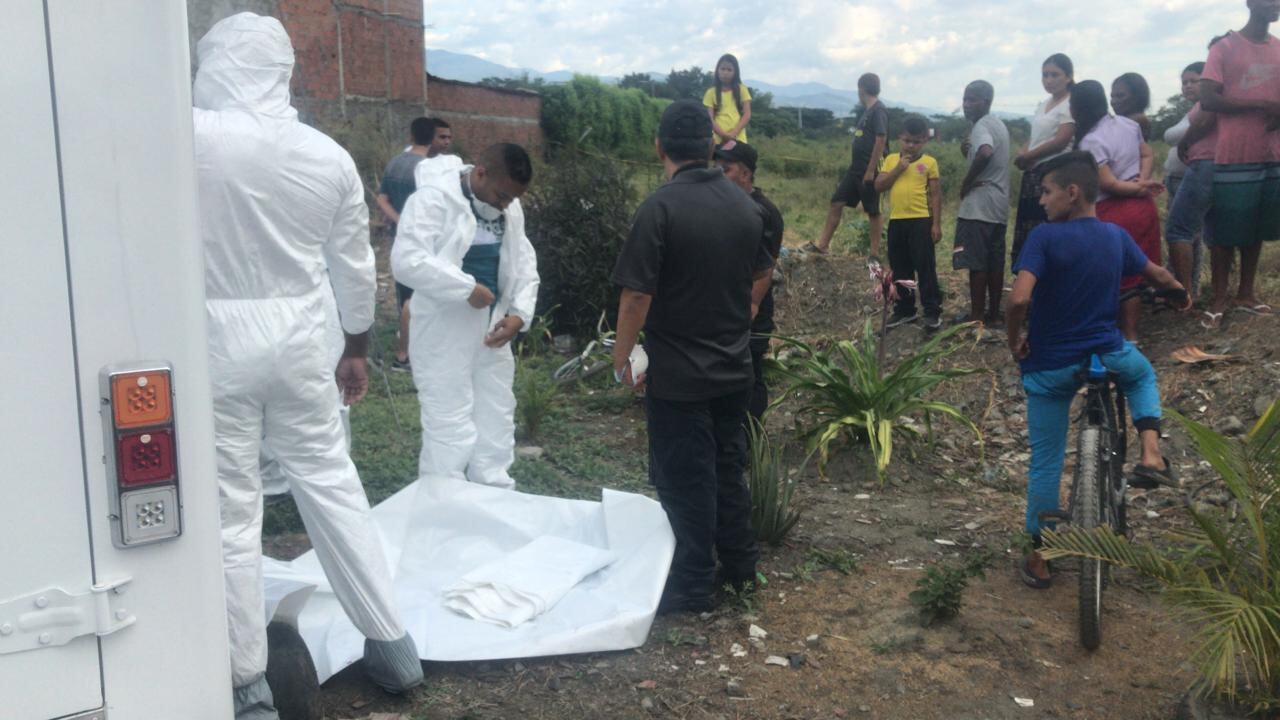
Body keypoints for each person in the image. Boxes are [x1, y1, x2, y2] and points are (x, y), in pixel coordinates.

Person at [191, 14, 422, 718]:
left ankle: (248, 686)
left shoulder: (186, 138)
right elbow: (354, 266)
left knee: (233, 513)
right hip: (302, 338)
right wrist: (355, 348)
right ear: (283, 71)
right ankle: (393, 647)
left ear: (214, 65)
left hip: (213, 337)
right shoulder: (326, 156)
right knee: (331, 484)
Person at [611, 100, 772, 613]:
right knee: (728, 468)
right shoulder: (745, 207)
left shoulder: (659, 209)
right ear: (710, 146)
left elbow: (636, 295)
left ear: (659, 147)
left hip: (679, 376)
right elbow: (764, 269)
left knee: (686, 479)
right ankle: (741, 569)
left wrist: (621, 357)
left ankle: (692, 583)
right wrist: (746, 309)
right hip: (734, 369)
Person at [1006, 151, 1188, 588]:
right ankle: (1151, 454)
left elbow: (1019, 298)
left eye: (1046, 192)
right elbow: (1158, 276)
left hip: (1049, 367)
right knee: (1141, 375)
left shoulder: (1043, 238)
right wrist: (1180, 293)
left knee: (1046, 461)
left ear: (1072, 192)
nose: (1041, 201)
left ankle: (1041, 557)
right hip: (1107, 354)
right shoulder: (1114, 235)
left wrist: (1014, 339)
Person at [391, 143, 539, 489]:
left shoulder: (508, 207)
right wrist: (464, 288)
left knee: (496, 413)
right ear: (481, 174)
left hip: (493, 329)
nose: (505, 205)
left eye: (512, 199)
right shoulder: (433, 200)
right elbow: (407, 260)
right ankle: (445, 498)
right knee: (448, 419)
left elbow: (524, 260)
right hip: (444, 329)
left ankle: (493, 490)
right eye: (502, 196)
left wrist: (519, 314)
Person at [1199, 0, 1280, 321]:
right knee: (1225, 230)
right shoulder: (1225, 47)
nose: (1275, 4)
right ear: (1250, 2)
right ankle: (1219, 297)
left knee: (1256, 224)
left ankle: (1246, 293)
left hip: (1272, 152)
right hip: (1234, 154)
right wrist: (1259, 104)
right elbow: (1208, 97)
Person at [1071, 80, 1165, 341]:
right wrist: (1142, 181)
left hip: (1116, 211)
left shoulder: (1091, 140)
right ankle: (1132, 334)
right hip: (1143, 207)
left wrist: (1137, 187)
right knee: (1136, 271)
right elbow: (1147, 154)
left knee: (1119, 275)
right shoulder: (1129, 125)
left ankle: (1122, 333)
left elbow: (1108, 184)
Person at [714, 141, 785, 421]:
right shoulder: (723, 205)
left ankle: (751, 435)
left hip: (749, 308)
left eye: (725, 169)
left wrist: (752, 305)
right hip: (725, 304)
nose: (718, 174)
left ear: (745, 174)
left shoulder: (763, 211)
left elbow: (765, 267)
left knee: (750, 373)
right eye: (715, 167)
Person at [379, 117, 453, 371]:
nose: (446, 142)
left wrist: (400, 221)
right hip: (426, 242)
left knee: (405, 296)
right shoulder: (430, 170)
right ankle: (405, 355)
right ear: (432, 138)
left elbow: (382, 199)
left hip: (399, 240)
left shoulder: (395, 163)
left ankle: (407, 350)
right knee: (420, 298)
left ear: (411, 135)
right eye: (442, 137)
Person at [875, 115, 944, 329]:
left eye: (916, 141)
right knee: (900, 267)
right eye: (907, 141)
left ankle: (932, 311)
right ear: (899, 138)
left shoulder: (929, 163)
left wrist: (936, 224)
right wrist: (898, 168)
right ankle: (905, 310)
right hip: (897, 221)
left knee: (925, 267)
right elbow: (879, 185)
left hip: (921, 221)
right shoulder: (890, 160)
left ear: (924, 140)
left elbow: (935, 195)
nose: (911, 146)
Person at [952, 80, 1011, 326]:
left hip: (979, 205)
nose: (966, 105)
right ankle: (993, 315)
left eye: (972, 100)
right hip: (999, 206)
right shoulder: (998, 124)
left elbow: (985, 152)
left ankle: (976, 318)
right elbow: (984, 152)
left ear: (986, 102)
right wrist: (968, 151)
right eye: (965, 99)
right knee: (994, 263)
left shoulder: (981, 126)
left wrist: (966, 183)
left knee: (977, 264)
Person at [809, 73, 887, 256]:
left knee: (873, 211)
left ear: (861, 89)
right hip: (855, 168)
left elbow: (881, 138)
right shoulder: (867, 110)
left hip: (871, 169)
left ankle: (874, 254)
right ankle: (823, 246)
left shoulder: (878, 110)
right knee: (837, 202)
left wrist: (871, 170)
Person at [1012, 54, 1076, 270]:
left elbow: (1061, 140)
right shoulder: (1043, 104)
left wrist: (1029, 156)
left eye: (1055, 75)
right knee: (1029, 226)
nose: (1048, 80)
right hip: (1033, 173)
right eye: (1045, 75)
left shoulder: (1070, 103)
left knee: (1048, 223)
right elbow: (1036, 136)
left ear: (1068, 77)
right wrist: (1023, 152)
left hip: (1054, 172)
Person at [1163, 62, 1217, 307]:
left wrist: (1183, 138)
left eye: (1194, 81)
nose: (1187, 86)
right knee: (1188, 236)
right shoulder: (1192, 111)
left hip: (1192, 178)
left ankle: (1188, 292)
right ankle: (1180, 287)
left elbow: (1174, 136)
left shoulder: (1206, 109)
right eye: (1184, 82)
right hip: (1176, 180)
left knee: (1185, 234)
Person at [703, 54, 752, 145]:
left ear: (735, 72)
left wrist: (734, 133)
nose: (725, 72)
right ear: (717, 70)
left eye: (729, 70)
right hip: (717, 139)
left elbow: (747, 114)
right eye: (722, 69)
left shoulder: (742, 89)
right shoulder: (711, 92)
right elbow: (709, 118)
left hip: (738, 137)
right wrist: (723, 135)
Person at [1111, 72, 1154, 140]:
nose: (1113, 102)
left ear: (1137, 97)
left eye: (1120, 96)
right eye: (1112, 97)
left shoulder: (1137, 121)